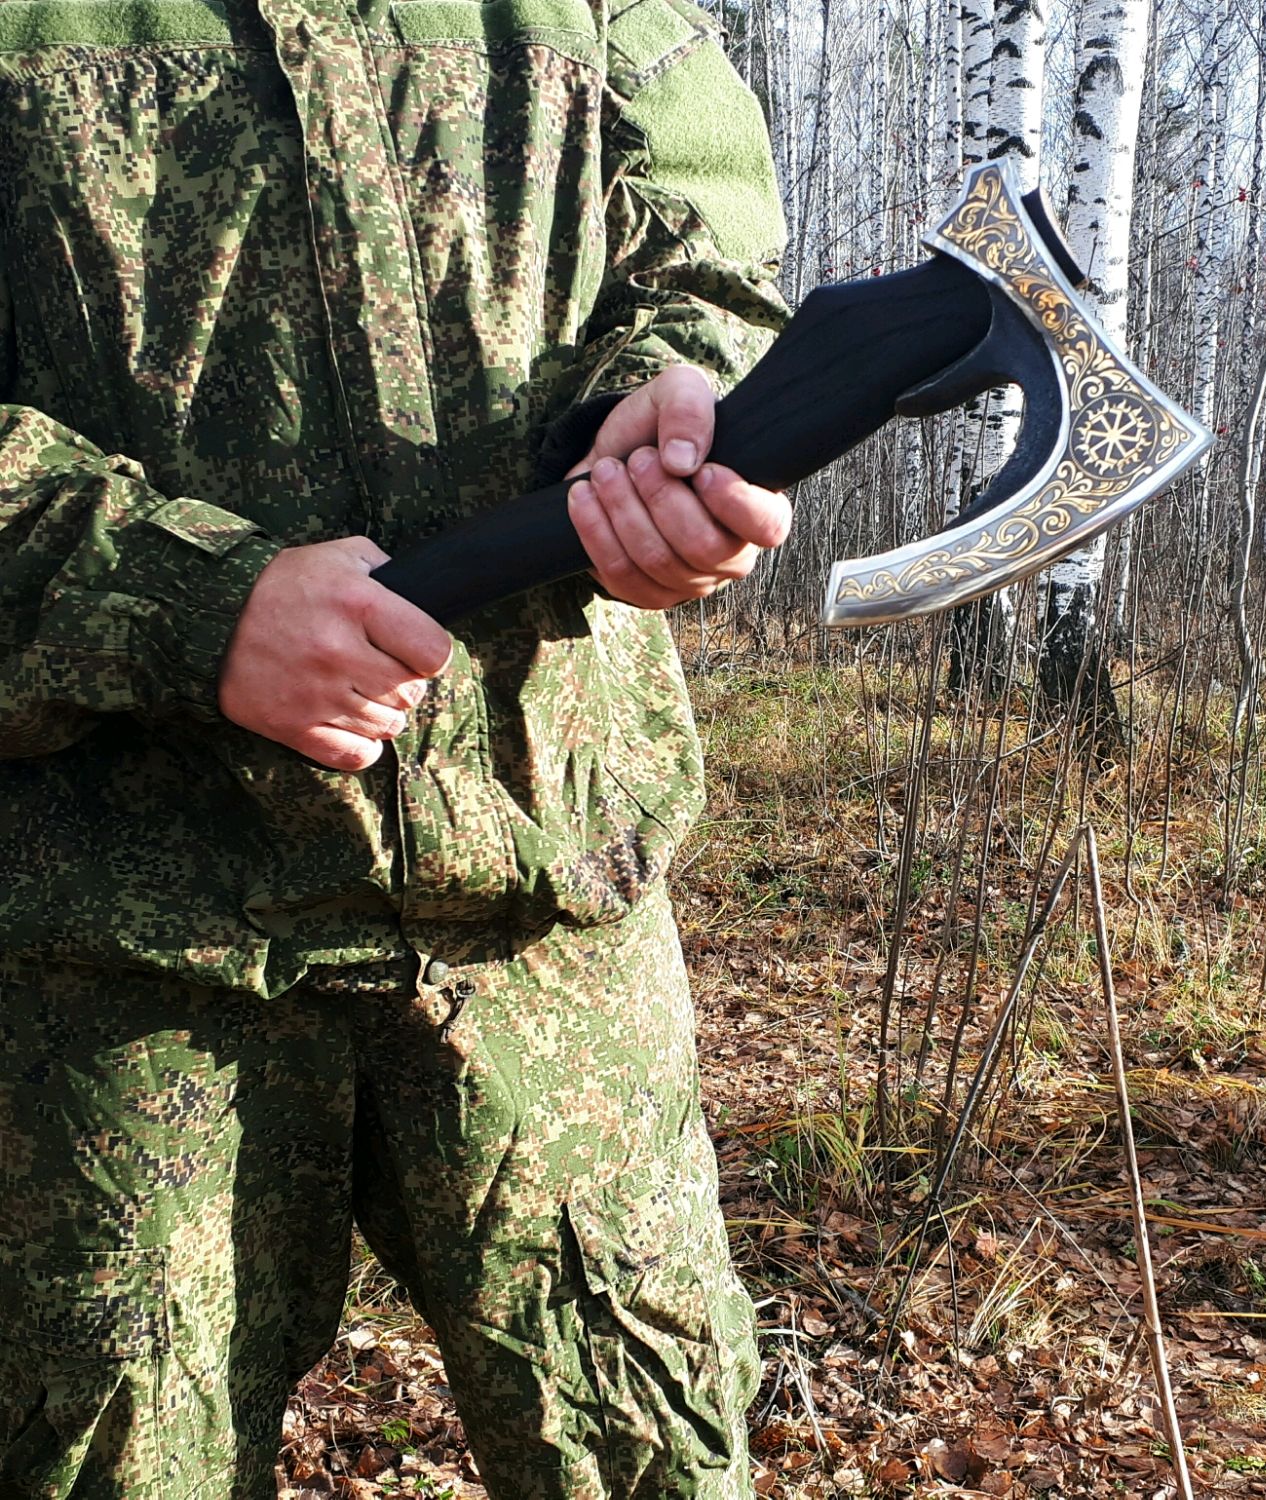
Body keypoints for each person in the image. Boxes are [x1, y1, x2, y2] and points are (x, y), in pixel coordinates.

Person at [0, 0, 790, 1494]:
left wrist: (666, 425)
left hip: (548, 896)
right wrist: (184, 602)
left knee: (646, 1439)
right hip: (108, 941)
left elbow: (707, 272)